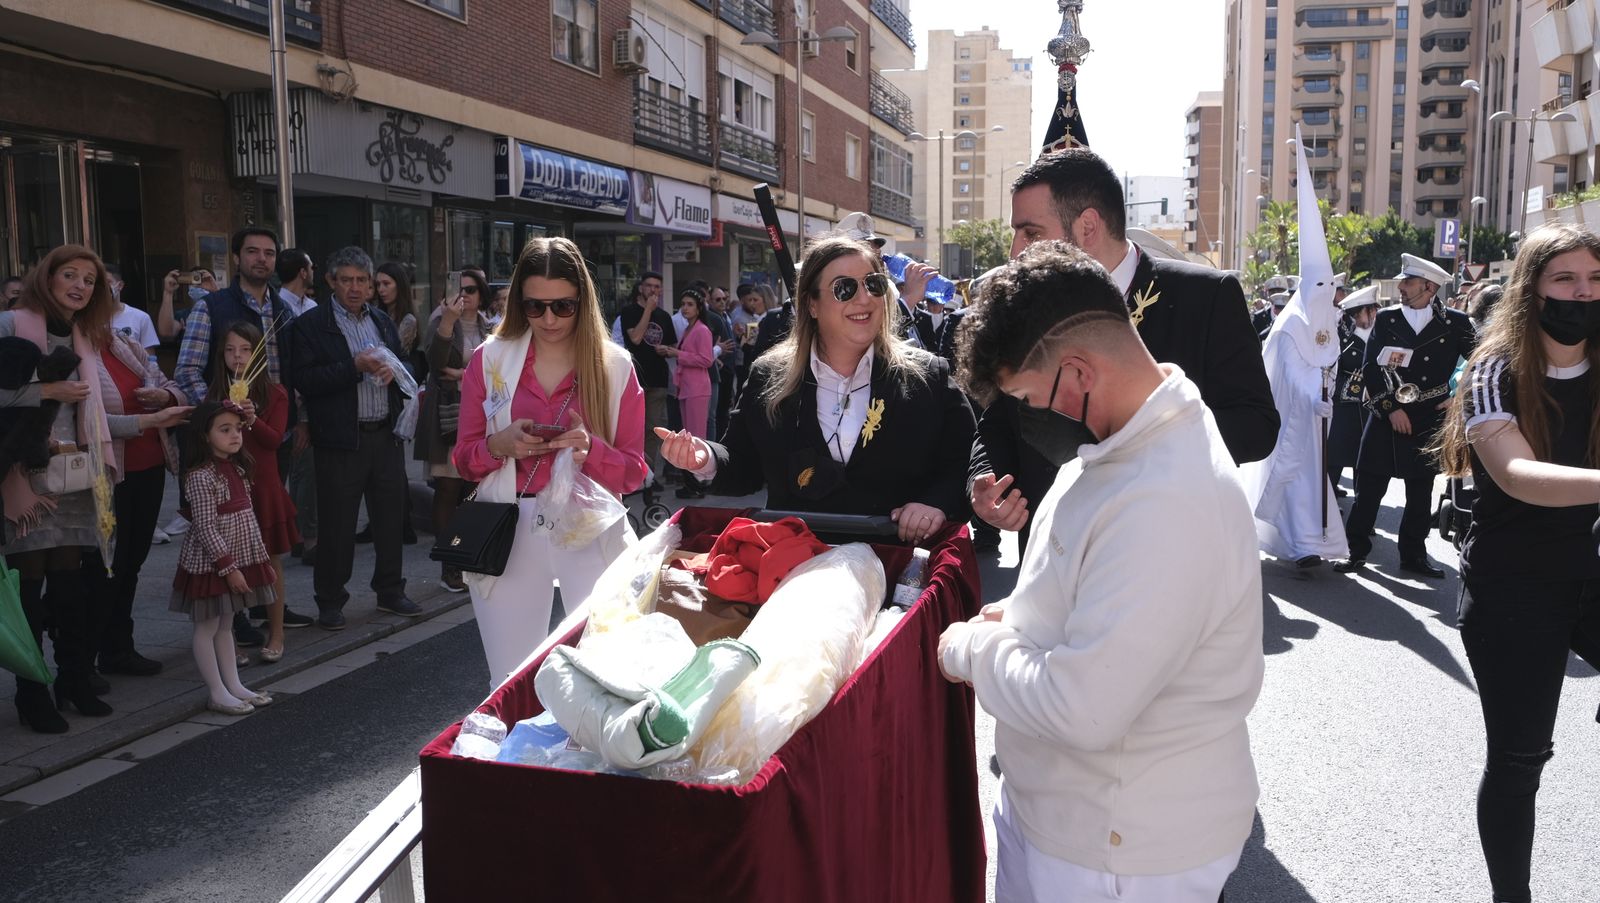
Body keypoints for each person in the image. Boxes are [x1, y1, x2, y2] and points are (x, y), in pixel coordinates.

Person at [938, 241, 1263, 903]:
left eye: (1029, 397)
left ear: (1079, 372)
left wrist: (971, 648)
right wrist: (1024, 618)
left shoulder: (1166, 498)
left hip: (1118, 852)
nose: (1030, 416)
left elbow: (1082, 709)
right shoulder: (1127, 437)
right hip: (1075, 822)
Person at [969, 149, 1278, 545]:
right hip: (1050, 551)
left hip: (1166, 545)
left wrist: (1139, 446)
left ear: (1088, 226)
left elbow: (1256, 426)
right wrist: (984, 478)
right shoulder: (1025, 307)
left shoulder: (1205, 297)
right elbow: (997, 418)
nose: (1016, 252)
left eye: (1031, 233)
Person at [1433, 223, 1600, 903]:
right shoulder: (1495, 370)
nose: (1583, 294)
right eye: (1566, 279)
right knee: (1519, 759)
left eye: (1595, 280)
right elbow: (1517, 474)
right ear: (1532, 288)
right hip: (1516, 583)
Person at [658, 235, 976, 543]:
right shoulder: (769, 376)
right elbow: (743, 466)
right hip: (796, 563)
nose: (864, 298)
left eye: (874, 284)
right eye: (844, 288)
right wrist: (704, 458)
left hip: (895, 565)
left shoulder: (927, 376)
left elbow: (966, 460)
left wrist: (935, 504)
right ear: (811, 304)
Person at [1, 246, 187, 732]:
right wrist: (47, 391)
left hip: (78, 476)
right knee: (30, 589)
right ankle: (31, 692)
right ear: (48, 277)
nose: (80, 285)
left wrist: (151, 420)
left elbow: (98, 419)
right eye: (70, 275)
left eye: (89, 279)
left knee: (70, 588)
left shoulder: (86, 336)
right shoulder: (11, 324)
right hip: (25, 477)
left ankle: (73, 678)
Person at [453, 237, 646, 686]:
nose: (549, 319)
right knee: (510, 680)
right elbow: (463, 459)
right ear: (519, 303)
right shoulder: (490, 359)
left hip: (587, 523)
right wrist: (498, 445)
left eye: (563, 306)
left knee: (602, 677)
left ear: (583, 301)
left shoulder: (615, 365)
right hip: (507, 524)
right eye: (535, 307)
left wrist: (591, 450)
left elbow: (634, 471)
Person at [288, 246, 420, 630]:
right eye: (347, 280)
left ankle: (390, 590)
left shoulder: (381, 320)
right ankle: (330, 600)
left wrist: (395, 371)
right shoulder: (311, 325)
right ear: (332, 281)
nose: (355, 288)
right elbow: (305, 380)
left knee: (389, 519)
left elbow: (405, 362)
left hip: (385, 435)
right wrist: (353, 367)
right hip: (340, 440)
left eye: (362, 280)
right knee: (337, 526)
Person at [1335, 253, 1477, 576]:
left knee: (1420, 493)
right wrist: (1392, 409)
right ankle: (1354, 550)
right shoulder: (1387, 319)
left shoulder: (1455, 323)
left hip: (1428, 417)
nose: (1401, 287)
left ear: (1429, 287)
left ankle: (1413, 556)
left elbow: (1483, 360)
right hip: (1386, 415)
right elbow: (1370, 368)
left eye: (1408, 282)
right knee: (1368, 489)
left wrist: (1459, 397)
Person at [97, 290, 192, 679]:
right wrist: (146, 421)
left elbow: (173, 385)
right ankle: (93, 650)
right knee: (109, 565)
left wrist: (163, 394)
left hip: (150, 466)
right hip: (111, 474)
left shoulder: (125, 344)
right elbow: (89, 420)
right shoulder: (79, 355)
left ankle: (119, 647)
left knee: (133, 562)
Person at [169, 401, 276, 715]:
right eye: (224, 430)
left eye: (238, 429)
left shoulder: (238, 469)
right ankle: (217, 691)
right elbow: (205, 526)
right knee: (207, 626)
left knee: (226, 625)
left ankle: (234, 685)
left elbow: (247, 519)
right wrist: (228, 567)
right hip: (211, 565)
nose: (234, 435)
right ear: (205, 435)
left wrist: (257, 558)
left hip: (238, 558)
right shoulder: (200, 477)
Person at [1239, 267, 1349, 568]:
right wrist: (1314, 398)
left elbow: (1330, 364)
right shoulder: (1290, 325)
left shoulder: (1328, 322)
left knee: (1311, 476)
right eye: (1319, 286)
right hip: (1289, 414)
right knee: (1291, 473)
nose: (1325, 293)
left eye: (1330, 287)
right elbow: (1292, 372)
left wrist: (1327, 396)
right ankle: (1301, 544)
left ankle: (1308, 542)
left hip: (1315, 417)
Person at [208, 322, 300, 662]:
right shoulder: (215, 392)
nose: (238, 357)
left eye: (245, 350)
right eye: (231, 350)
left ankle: (276, 633)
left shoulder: (275, 393)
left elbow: (274, 440)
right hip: (228, 486)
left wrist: (251, 418)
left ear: (257, 353)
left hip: (263, 484)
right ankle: (228, 638)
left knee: (269, 562)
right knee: (227, 564)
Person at [416, 267, 493, 593]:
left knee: (474, 491)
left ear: (481, 293)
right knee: (448, 488)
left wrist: (463, 374)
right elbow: (435, 364)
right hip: (449, 416)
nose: (465, 296)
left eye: (471, 290)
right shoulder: (441, 320)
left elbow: (497, 368)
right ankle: (450, 565)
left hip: (482, 417)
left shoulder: (491, 326)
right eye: (459, 290)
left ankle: (469, 556)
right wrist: (448, 320)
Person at [275, 248, 318, 565]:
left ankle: (303, 534)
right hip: (283, 402)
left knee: (306, 472)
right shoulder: (278, 308)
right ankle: (292, 535)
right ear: (303, 271)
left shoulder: (312, 307)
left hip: (308, 402)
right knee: (287, 474)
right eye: (311, 267)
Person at [619, 271, 675, 487]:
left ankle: (648, 476)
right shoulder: (629, 312)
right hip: (635, 379)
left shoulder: (664, 316)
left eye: (657, 287)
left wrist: (667, 349)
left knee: (652, 429)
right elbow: (635, 338)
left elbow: (672, 345)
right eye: (649, 285)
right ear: (641, 288)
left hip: (658, 380)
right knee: (632, 429)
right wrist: (648, 311)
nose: (653, 290)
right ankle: (632, 472)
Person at [1327, 286, 1379, 492]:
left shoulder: (1381, 333)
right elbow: (1330, 373)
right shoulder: (1340, 336)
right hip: (1344, 410)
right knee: (1334, 462)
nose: (1373, 315)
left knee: (1365, 467)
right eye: (1369, 311)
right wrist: (1356, 389)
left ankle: (1361, 509)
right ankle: (1327, 506)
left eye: (1374, 310)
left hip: (1371, 410)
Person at [669, 287, 716, 499]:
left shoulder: (702, 330)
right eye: (683, 304)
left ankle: (699, 483)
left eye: (690, 304)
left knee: (696, 438)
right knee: (689, 437)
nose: (685, 308)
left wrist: (678, 353)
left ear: (699, 308)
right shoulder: (690, 329)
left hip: (697, 389)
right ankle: (693, 482)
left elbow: (707, 360)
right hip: (687, 387)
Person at [105, 264, 160, 354]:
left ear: (120, 285)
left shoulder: (141, 318)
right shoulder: (89, 319)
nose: (103, 287)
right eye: (99, 283)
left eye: (108, 282)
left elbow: (150, 358)